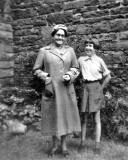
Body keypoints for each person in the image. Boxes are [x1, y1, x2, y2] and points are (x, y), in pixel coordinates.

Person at [33, 24, 81, 157]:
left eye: (63, 35)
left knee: (65, 117)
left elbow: (76, 68)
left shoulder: (70, 51)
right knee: (53, 116)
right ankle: (55, 144)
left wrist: (69, 75)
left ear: (65, 38)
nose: (60, 37)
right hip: (52, 89)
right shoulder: (44, 51)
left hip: (66, 88)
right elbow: (36, 69)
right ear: (53, 36)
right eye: (58, 35)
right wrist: (46, 77)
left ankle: (64, 145)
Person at [78, 39, 111, 154]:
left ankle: (97, 146)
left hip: (96, 87)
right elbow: (75, 71)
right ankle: (82, 143)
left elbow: (108, 76)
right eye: (86, 45)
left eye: (90, 46)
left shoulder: (99, 60)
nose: (88, 48)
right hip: (85, 88)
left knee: (97, 118)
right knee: (84, 118)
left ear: (95, 48)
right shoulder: (81, 60)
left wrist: (100, 89)